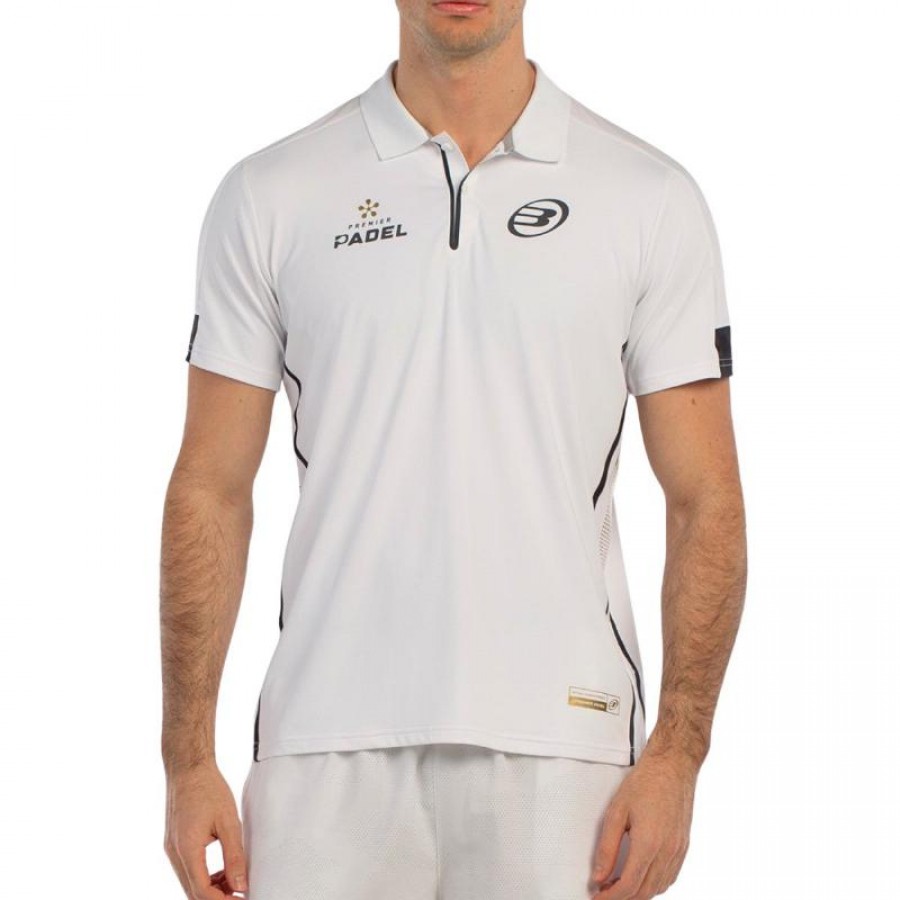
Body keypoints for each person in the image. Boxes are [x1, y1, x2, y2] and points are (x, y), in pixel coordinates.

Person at [160, 1, 747, 898]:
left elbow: (705, 499)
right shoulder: (272, 194)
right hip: (323, 744)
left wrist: (677, 754)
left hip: (567, 747)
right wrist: (186, 756)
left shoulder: (648, 198)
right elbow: (210, 486)